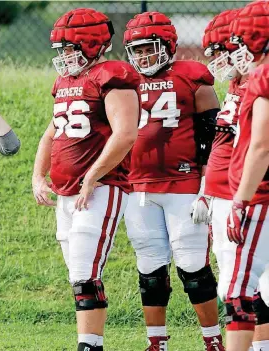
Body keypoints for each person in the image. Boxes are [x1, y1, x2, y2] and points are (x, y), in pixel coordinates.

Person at [32, 8, 140, 351]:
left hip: (100, 189)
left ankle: (89, 346)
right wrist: (38, 176)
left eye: (69, 48)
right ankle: (90, 343)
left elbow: (125, 134)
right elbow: (51, 134)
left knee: (83, 272)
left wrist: (93, 176)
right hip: (67, 192)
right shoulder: (66, 82)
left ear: (92, 44)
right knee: (77, 275)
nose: (64, 57)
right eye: (60, 50)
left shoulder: (111, 75)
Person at [123, 11, 224, 351]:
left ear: (167, 46)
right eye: (136, 50)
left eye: (149, 48)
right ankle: (157, 342)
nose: (142, 57)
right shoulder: (122, 81)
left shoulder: (192, 76)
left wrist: (207, 190)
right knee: (149, 268)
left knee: (193, 266)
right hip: (136, 188)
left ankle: (212, 340)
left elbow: (214, 137)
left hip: (183, 185)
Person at [203, 6, 269, 351]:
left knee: (239, 287)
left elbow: (259, 146)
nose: (231, 52)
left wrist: (241, 198)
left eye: (237, 43)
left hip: (254, 193)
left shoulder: (261, 77)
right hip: (238, 190)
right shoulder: (242, 81)